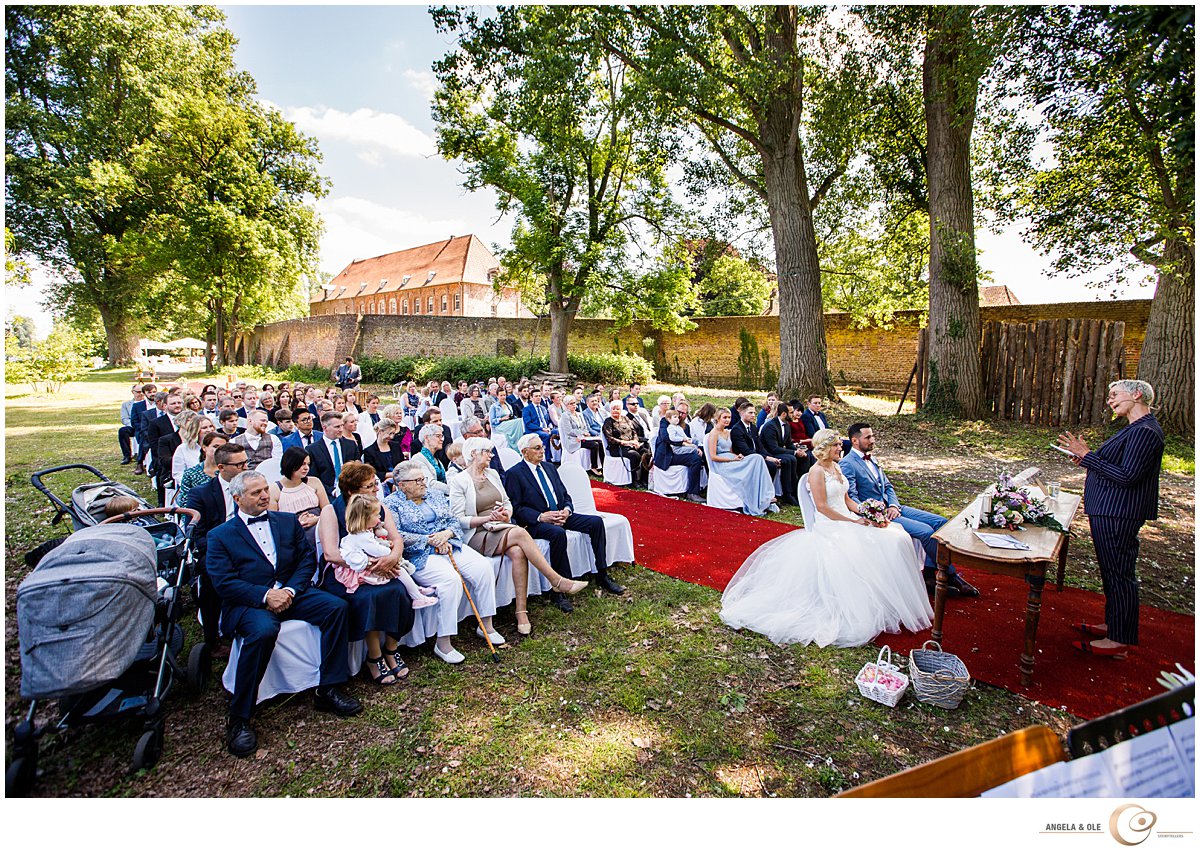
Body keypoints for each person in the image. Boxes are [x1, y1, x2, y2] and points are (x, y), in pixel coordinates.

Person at [720, 429, 933, 647]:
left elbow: (847, 499)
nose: (841, 448)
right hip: (831, 525)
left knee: (896, 536)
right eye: (836, 445)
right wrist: (852, 522)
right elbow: (822, 508)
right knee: (868, 545)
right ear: (824, 448)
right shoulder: (816, 472)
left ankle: (889, 601)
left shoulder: (837, 466)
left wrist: (867, 512)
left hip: (847, 517)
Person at [206, 470, 361, 756]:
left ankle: (328, 688)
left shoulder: (286, 521)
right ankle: (240, 717)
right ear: (237, 498)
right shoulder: (220, 536)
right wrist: (266, 596)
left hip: (292, 592)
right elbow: (223, 581)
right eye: (256, 492)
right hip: (250, 602)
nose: (265, 495)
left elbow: (305, 560)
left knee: (337, 608)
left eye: (266, 489)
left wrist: (289, 591)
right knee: (264, 630)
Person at [1058, 379, 1165, 659]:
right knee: (1112, 572)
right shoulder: (1133, 429)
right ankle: (1115, 624)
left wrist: (1088, 456)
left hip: (1119, 511)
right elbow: (1116, 466)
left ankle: (1118, 640)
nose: (1110, 400)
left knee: (1119, 573)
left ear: (1137, 394)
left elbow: (1128, 477)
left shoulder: (1145, 432)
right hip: (1109, 509)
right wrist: (1086, 459)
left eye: (1115, 394)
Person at [450, 437, 587, 635]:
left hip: (500, 527)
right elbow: (458, 519)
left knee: (517, 552)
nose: (491, 455)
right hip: (477, 534)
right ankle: (556, 581)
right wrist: (488, 518)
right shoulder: (459, 481)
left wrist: (506, 513)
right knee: (520, 533)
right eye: (487, 452)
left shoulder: (493, 474)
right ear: (473, 454)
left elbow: (507, 502)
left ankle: (521, 612)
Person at [384, 459, 502, 665]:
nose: (423, 483)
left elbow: (452, 520)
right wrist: (429, 540)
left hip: (449, 543)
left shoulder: (435, 495)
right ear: (402, 485)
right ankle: (443, 641)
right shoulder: (390, 504)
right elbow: (397, 535)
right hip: (420, 554)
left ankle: (486, 625)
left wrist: (446, 535)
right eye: (417, 480)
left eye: (423, 479)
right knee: (450, 581)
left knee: (483, 567)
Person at [841, 422, 977, 598]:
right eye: (868, 437)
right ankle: (951, 576)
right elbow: (852, 498)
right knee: (926, 532)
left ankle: (928, 574)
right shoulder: (848, 464)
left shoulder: (872, 458)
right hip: (877, 514)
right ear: (854, 440)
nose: (873, 440)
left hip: (893, 507)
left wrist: (893, 505)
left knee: (941, 523)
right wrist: (876, 513)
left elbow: (888, 486)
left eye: (872, 436)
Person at [317, 462, 418, 685]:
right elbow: (331, 554)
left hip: (383, 565)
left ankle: (391, 649)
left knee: (400, 590)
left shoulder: (379, 506)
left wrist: (392, 557)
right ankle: (374, 657)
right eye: (369, 486)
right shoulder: (331, 511)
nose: (375, 489)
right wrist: (370, 563)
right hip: (347, 572)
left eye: (375, 484)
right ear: (352, 491)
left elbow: (396, 538)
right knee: (371, 597)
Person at [505, 433, 625, 597]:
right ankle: (561, 586)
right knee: (558, 534)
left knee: (596, 522)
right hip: (537, 522)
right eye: (537, 448)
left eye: (543, 447)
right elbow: (516, 508)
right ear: (525, 452)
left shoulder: (549, 467)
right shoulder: (515, 474)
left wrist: (567, 510)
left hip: (561, 515)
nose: (542, 451)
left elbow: (564, 495)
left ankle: (602, 574)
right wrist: (541, 516)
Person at [336, 493, 438, 609]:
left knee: (399, 567)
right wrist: (387, 547)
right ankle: (417, 597)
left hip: (370, 562)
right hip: (364, 569)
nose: (380, 517)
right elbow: (381, 552)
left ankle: (415, 588)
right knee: (399, 570)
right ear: (365, 518)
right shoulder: (362, 537)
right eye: (376, 515)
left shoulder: (363, 532)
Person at [706, 408, 775, 516]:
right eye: (724, 417)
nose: (727, 420)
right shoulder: (713, 434)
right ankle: (760, 496)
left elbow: (731, 451)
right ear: (718, 418)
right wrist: (731, 459)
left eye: (729, 417)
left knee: (757, 458)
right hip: (722, 464)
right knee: (754, 460)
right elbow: (713, 456)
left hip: (732, 459)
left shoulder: (727, 432)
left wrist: (737, 456)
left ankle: (765, 495)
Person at [268, 446, 330, 550]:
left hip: (320, 526)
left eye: (308, 464)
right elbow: (274, 524)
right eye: (302, 464)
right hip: (293, 533)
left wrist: (316, 519)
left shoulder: (314, 482)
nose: (306, 468)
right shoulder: (275, 490)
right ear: (291, 464)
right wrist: (296, 524)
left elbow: (328, 510)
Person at [730, 400, 783, 503]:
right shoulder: (737, 429)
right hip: (745, 459)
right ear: (742, 413)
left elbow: (760, 447)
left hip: (756, 456)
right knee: (770, 465)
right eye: (750, 413)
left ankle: (768, 493)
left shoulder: (753, 428)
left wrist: (770, 456)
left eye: (754, 413)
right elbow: (745, 450)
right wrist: (766, 458)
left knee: (775, 463)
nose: (753, 415)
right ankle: (762, 494)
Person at [759, 401, 807, 506]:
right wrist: (794, 452)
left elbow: (789, 443)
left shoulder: (787, 425)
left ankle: (796, 490)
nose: (792, 414)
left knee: (802, 457)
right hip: (769, 453)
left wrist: (797, 451)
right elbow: (774, 448)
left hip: (779, 451)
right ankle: (787, 493)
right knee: (790, 459)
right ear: (784, 414)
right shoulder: (770, 426)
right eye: (790, 412)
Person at [651, 410, 705, 502]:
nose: (681, 415)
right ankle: (692, 492)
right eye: (679, 412)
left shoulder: (684, 425)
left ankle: (704, 486)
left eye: (684, 413)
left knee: (701, 453)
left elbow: (689, 438)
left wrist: (695, 446)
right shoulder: (666, 422)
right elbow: (666, 437)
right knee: (695, 459)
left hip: (681, 450)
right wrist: (684, 443)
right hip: (668, 454)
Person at [306, 411, 362, 498]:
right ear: (325, 428)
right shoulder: (312, 449)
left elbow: (358, 469)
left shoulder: (351, 445)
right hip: (326, 493)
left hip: (351, 491)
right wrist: (332, 491)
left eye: (342, 426)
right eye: (337, 427)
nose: (341, 429)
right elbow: (313, 478)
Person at [602, 399, 651, 488]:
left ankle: (644, 479)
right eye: (613, 409)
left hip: (631, 445)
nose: (615, 411)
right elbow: (610, 438)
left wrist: (635, 441)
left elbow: (633, 431)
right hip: (617, 448)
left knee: (646, 453)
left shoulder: (626, 418)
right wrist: (625, 443)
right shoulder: (608, 422)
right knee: (635, 455)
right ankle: (634, 480)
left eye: (617, 409)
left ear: (621, 410)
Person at [177, 432, 228, 508]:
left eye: (223, 447)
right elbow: (184, 502)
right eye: (216, 446)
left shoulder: (230, 471)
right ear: (204, 448)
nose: (220, 450)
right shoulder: (191, 474)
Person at [559, 393, 604, 474]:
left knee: (600, 443)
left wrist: (584, 433)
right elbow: (569, 431)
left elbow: (585, 427)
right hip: (573, 439)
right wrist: (581, 433)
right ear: (566, 405)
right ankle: (593, 467)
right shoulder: (565, 416)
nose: (574, 405)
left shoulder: (579, 414)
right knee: (594, 445)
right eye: (571, 404)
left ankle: (602, 466)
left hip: (582, 437)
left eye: (574, 403)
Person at [171, 411, 215, 491]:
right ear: (196, 430)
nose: (209, 430)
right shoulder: (183, 449)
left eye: (211, 426)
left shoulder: (221, 445)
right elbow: (178, 473)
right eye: (204, 428)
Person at [412, 423, 450, 493]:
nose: (442, 439)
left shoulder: (436, 459)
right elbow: (429, 483)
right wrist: (454, 490)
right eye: (438, 436)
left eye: (442, 436)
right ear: (427, 438)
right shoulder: (418, 459)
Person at [521, 388, 557, 454]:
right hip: (533, 430)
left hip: (545, 429)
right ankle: (547, 457)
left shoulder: (543, 408)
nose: (538, 398)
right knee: (545, 435)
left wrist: (549, 428)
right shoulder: (527, 409)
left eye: (539, 396)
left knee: (558, 431)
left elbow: (548, 421)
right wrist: (542, 429)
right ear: (531, 398)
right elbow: (528, 424)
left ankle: (560, 456)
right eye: (536, 396)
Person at [118, 384, 144, 464]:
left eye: (142, 392)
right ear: (133, 392)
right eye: (138, 392)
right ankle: (127, 455)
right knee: (123, 431)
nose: (141, 394)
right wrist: (133, 424)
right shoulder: (126, 405)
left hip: (144, 426)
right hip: (132, 426)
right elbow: (124, 418)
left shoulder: (147, 403)